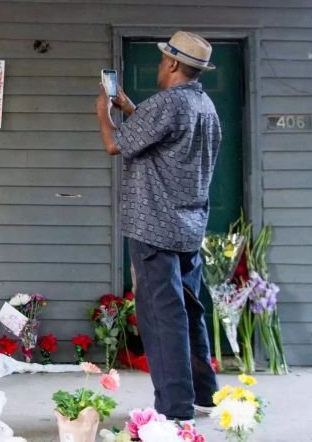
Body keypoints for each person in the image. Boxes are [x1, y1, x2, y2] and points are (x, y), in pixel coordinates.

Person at [95, 31, 221, 422]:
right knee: (189, 311)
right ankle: (203, 396)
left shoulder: (166, 103)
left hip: (154, 228)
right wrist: (132, 108)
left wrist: (104, 112)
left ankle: (174, 408)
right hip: (188, 227)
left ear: (171, 63)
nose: (159, 63)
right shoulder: (203, 105)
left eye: (163, 57)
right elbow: (165, 138)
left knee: (161, 316)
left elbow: (116, 145)